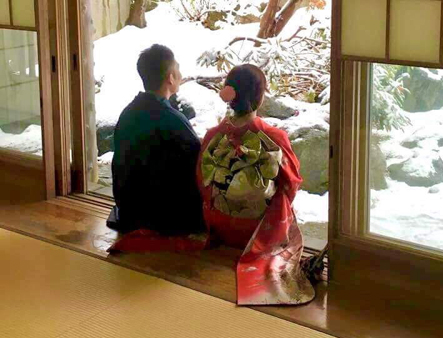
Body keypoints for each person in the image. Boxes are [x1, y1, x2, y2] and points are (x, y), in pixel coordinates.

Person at [196, 64, 315, 305]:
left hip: (221, 224)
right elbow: (291, 184)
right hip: (259, 231)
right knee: (283, 196)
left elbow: (202, 182)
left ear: (228, 95)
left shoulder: (212, 136)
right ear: (260, 98)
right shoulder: (274, 138)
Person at [108, 44, 204, 238]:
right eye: (177, 69)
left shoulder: (129, 111)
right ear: (170, 78)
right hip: (161, 217)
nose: (180, 73)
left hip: (128, 210)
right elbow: (200, 160)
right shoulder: (172, 118)